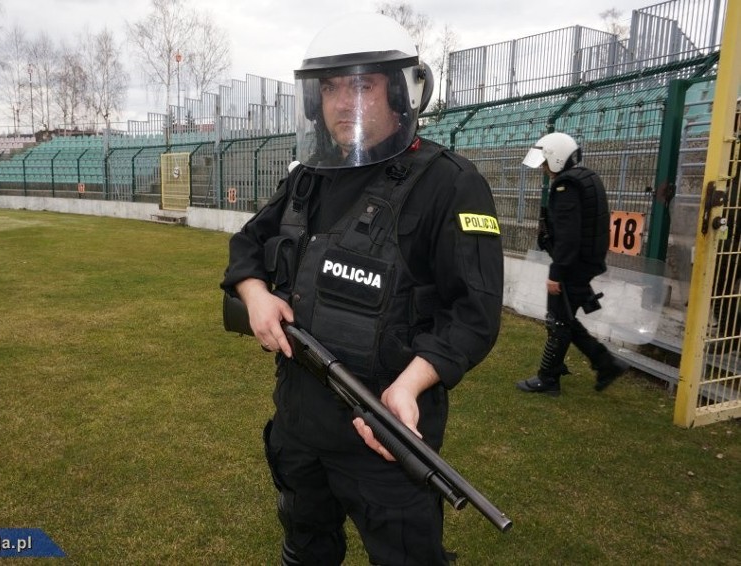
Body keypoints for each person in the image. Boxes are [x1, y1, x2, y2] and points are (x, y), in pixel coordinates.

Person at [221, 13, 503, 565]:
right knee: (305, 551)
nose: (343, 101)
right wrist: (255, 294)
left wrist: (411, 384)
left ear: (400, 92)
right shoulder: (307, 178)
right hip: (300, 423)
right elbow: (247, 244)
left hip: (386, 431)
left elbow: (474, 314)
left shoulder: (451, 183)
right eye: (330, 87)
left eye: (363, 84)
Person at [516, 132, 629, 396]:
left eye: (545, 163)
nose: (544, 169)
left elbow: (568, 235)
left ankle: (550, 378)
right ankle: (602, 363)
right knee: (564, 318)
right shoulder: (586, 178)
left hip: (572, 266)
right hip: (585, 262)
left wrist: (557, 273)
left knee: (558, 320)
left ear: (556, 158)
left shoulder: (566, 186)